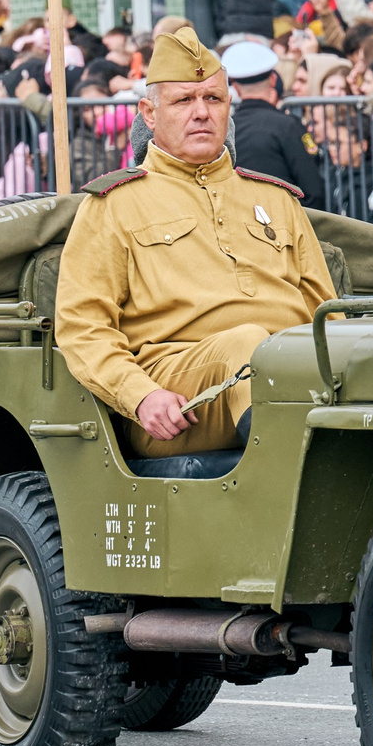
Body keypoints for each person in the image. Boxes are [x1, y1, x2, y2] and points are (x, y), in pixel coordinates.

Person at [55, 23, 336, 460]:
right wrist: (140, 395)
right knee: (249, 346)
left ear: (229, 108)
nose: (201, 112)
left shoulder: (275, 198)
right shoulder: (113, 204)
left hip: (293, 368)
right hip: (176, 398)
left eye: (213, 98)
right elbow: (82, 327)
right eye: (183, 100)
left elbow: (325, 312)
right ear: (149, 114)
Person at [222, 38, 328, 210]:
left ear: (236, 87)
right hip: (286, 225)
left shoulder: (225, 130)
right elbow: (313, 191)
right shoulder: (289, 127)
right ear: (272, 80)